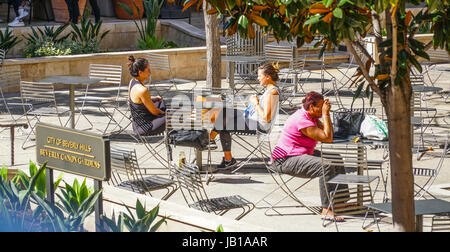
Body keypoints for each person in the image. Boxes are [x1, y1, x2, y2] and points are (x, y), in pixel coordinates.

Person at [271, 91, 348, 220]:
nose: (322, 110)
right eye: (320, 107)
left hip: (300, 153)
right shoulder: (302, 119)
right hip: (285, 159)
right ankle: (326, 209)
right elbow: (327, 138)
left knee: (337, 158)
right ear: (312, 107)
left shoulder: (311, 116)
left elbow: (329, 132)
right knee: (326, 166)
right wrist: (326, 114)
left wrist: (323, 114)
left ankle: (340, 202)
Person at [209, 63, 280, 169]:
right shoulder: (269, 90)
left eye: (260, 76)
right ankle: (225, 157)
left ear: (268, 76)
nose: (257, 78)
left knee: (224, 121)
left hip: (261, 126)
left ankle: (209, 141)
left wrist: (256, 103)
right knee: (225, 115)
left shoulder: (273, 93)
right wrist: (253, 104)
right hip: (253, 118)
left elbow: (266, 118)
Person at [127, 56, 166, 136]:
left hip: (138, 123)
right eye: (148, 70)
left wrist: (153, 99)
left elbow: (138, 101)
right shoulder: (142, 90)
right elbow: (155, 112)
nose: (150, 72)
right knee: (174, 116)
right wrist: (165, 113)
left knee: (161, 102)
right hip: (145, 127)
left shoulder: (132, 81)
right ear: (140, 72)